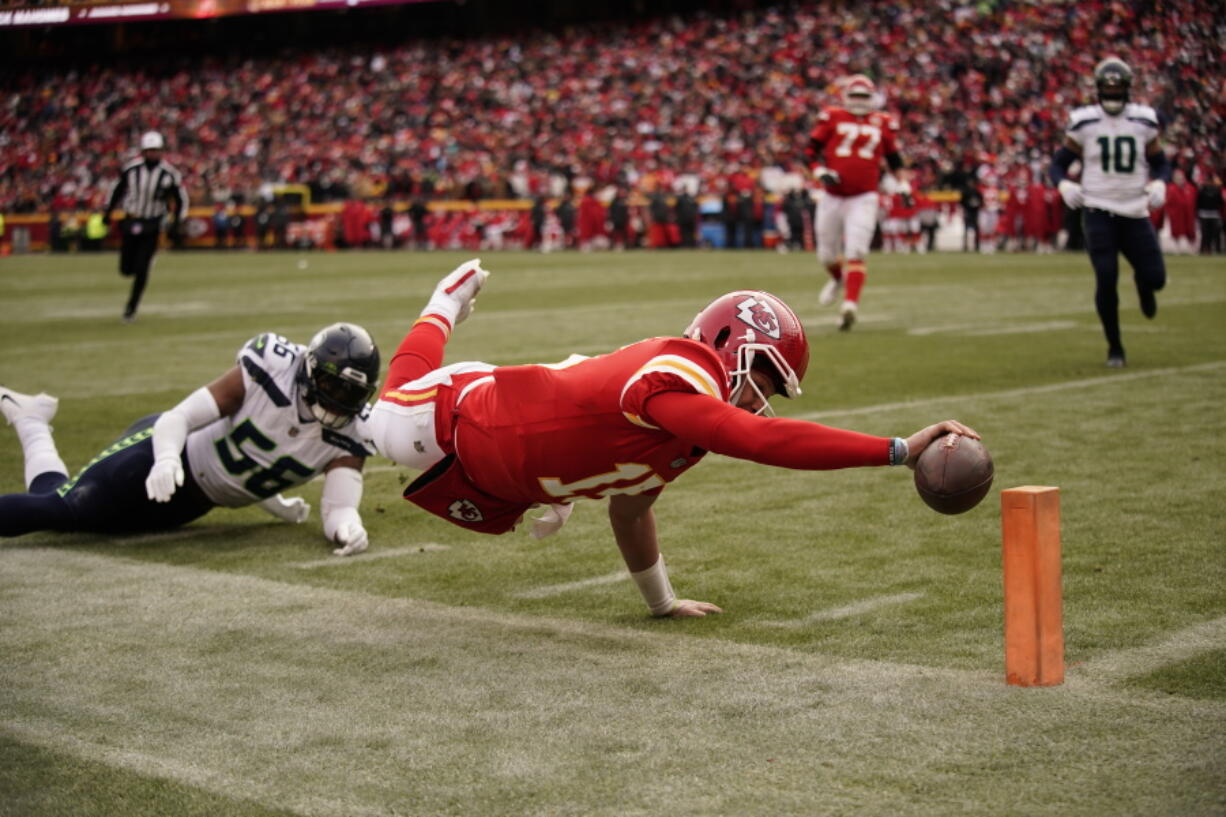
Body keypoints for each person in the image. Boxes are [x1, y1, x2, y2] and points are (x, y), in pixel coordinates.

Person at [363, 260, 980, 618]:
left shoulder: (686, 430)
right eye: (761, 374)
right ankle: (442, 305)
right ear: (725, 344)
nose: (759, 397)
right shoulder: (682, 369)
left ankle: (551, 488)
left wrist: (661, 603)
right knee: (383, 422)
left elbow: (631, 512)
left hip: (505, 472)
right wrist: (896, 449)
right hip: (457, 417)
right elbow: (764, 442)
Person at [1, 323, 379, 556]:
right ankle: (31, 421)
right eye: (332, 384)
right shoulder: (272, 368)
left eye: (350, 393)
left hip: (194, 503)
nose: (337, 399)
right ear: (311, 369)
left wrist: (348, 527)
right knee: (65, 509)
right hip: (159, 456)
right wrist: (165, 458)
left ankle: (31, 420)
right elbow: (178, 417)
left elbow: (338, 508)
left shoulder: (353, 432)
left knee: (66, 510)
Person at [1049, 57, 1168, 368]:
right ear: (1098, 89)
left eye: (1117, 88)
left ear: (1127, 89)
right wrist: (1063, 185)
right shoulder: (1084, 121)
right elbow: (1057, 163)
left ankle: (1143, 284)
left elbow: (1161, 162)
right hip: (1098, 208)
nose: (1112, 93)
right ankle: (1115, 346)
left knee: (1156, 278)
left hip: (1134, 209)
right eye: (1107, 87)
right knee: (1106, 276)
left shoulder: (1144, 120)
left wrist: (1160, 184)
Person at [806, 74, 906, 331]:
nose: (860, 102)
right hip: (832, 195)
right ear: (845, 97)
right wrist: (819, 172)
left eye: (864, 97)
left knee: (856, 252)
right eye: (856, 96)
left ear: (873, 98)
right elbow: (809, 152)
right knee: (826, 254)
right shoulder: (832, 116)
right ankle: (839, 279)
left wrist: (903, 184)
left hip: (864, 196)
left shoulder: (883, 122)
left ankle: (850, 305)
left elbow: (895, 159)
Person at [102, 131, 189, 323]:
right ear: (143, 151)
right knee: (126, 269)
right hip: (132, 219)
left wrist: (176, 222)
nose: (152, 154)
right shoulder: (131, 170)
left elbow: (181, 199)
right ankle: (141, 264)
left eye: (155, 151)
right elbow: (116, 191)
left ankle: (130, 308)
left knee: (141, 269)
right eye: (149, 150)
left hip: (152, 223)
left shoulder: (168, 174)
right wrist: (107, 214)